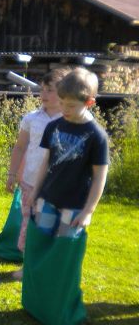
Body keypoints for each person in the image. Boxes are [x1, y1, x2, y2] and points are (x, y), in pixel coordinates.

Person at [25, 67, 109, 238]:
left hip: (75, 205)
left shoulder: (97, 136)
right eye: (61, 103)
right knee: (39, 240)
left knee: (65, 245)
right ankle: (32, 261)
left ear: (89, 103)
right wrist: (35, 191)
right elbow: (46, 162)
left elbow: (100, 177)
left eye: (71, 105)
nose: (64, 109)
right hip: (47, 198)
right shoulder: (53, 127)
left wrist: (88, 211)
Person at [5, 68, 69, 280]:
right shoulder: (31, 118)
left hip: (58, 186)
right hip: (30, 182)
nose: (44, 94)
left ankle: (51, 266)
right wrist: (12, 174)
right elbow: (20, 147)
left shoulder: (71, 120)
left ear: (64, 92)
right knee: (30, 224)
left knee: (53, 225)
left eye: (50, 90)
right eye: (42, 89)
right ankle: (29, 266)